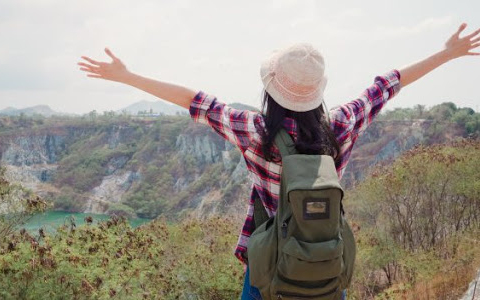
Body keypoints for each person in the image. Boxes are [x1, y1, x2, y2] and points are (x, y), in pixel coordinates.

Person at [77, 23, 480, 299]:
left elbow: (194, 100)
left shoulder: (255, 130)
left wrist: (127, 77)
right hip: (325, 263)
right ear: (317, 91)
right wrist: (446, 54)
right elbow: (386, 86)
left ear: (270, 87)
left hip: (269, 268)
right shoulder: (340, 125)